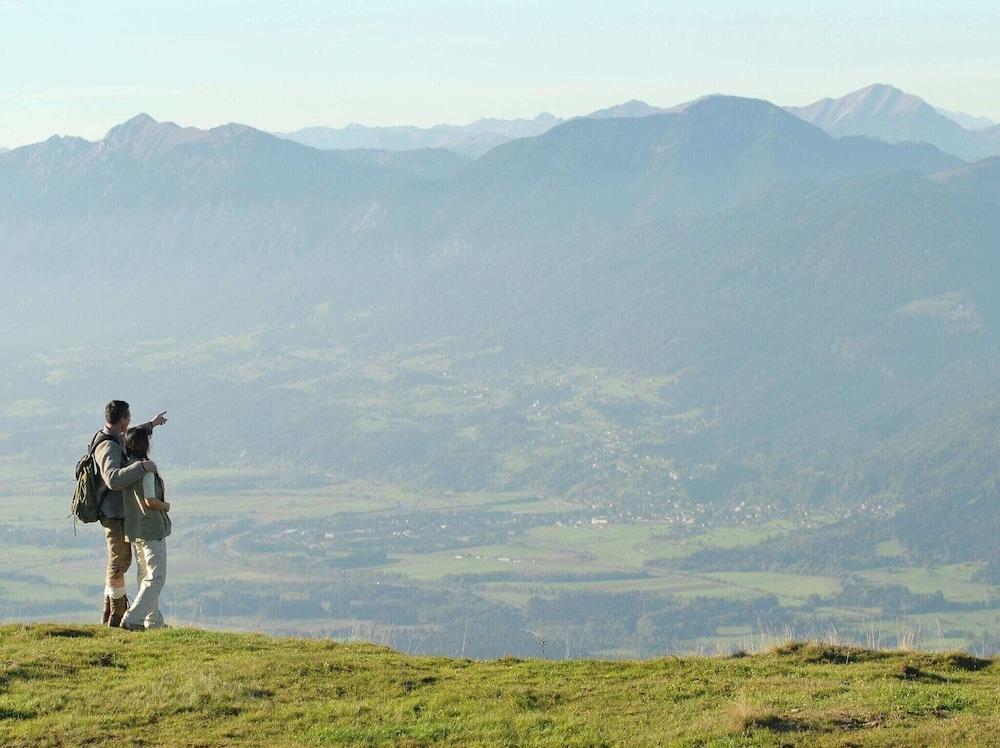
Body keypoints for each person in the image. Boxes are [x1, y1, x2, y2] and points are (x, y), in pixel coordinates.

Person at [92, 400, 167, 626]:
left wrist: (151, 425)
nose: (131, 421)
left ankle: (119, 614)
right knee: (119, 562)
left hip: (120, 513)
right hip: (113, 514)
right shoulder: (108, 446)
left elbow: (130, 438)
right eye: (129, 417)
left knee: (124, 563)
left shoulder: (115, 438)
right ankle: (116, 615)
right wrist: (142, 467)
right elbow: (113, 479)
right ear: (123, 419)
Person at [119, 427, 171, 631]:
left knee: (144, 576)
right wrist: (166, 506)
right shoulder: (146, 470)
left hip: (134, 530)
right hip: (151, 529)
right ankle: (133, 618)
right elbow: (150, 500)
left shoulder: (127, 469)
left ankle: (153, 621)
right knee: (156, 578)